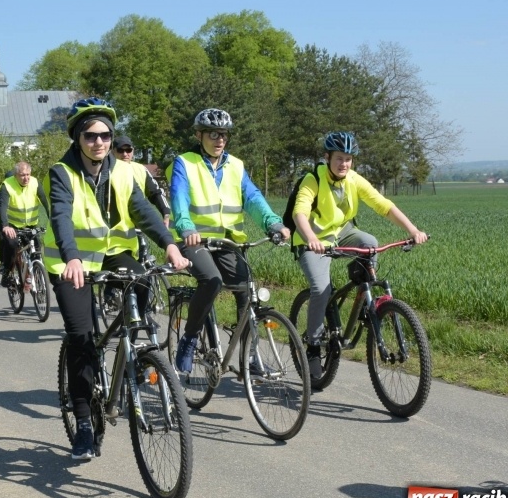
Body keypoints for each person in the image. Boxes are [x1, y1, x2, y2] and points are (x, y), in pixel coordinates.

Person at [45, 97, 188, 460]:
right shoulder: (62, 173)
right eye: (91, 135)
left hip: (111, 252)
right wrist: (72, 258)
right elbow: (61, 217)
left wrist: (170, 245)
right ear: (78, 137)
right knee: (81, 337)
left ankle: (131, 353)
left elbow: (142, 211)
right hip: (70, 263)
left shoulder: (125, 172)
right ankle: (83, 425)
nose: (100, 142)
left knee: (142, 281)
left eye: (106, 135)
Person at [291, 131, 429, 379]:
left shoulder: (354, 180)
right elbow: (300, 212)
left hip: (341, 234)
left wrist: (413, 230)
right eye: (338, 158)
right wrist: (311, 238)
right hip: (311, 241)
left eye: (348, 159)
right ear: (327, 157)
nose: (344, 164)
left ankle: (363, 294)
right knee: (321, 289)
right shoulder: (313, 180)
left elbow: (383, 205)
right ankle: (312, 345)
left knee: (369, 242)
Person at [167, 108, 290, 374]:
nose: (219, 139)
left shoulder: (236, 165)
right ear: (199, 135)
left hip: (227, 242)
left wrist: (272, 222)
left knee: (247, 290)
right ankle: (188, 339)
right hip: (195, 240)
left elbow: (253, 198)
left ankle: (250, 354)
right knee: (211, 280)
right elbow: (178, 198)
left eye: (224, 134)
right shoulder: (185, 163)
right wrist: (186, 226)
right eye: (213, 133)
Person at [0, 161, 47, 287]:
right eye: (22, 175)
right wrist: (5, 226)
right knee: (11, 245)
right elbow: (2, 207)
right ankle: (7, 272)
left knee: (37, 251)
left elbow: (46, 202)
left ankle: (38, 279)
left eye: (28, 174)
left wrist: (54, 219)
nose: (26, 178)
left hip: (31, 225)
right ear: (15, 175)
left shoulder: (35, 183)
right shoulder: (7, 185)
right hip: (13, 225)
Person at [112, 135, 170, 227]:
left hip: (138, 225)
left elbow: (155, 193)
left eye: (128, 150)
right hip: (114, 226)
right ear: (113, 151)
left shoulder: (141, 169)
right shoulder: (105, 171)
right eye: (120, 150)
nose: (125, 154)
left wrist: (166, 212)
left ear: (133, 151)